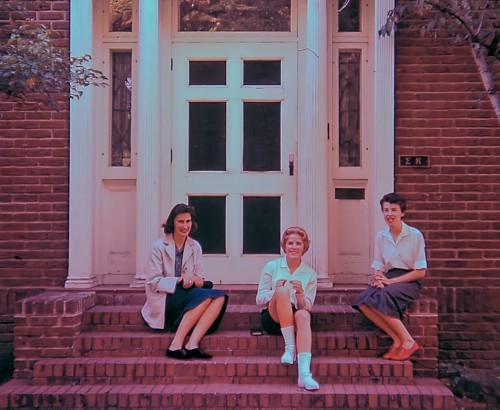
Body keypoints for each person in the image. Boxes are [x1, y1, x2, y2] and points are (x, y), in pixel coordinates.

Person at [141, 203, 228, 360]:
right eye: (180, 221)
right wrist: (179, 280)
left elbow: (200, 278)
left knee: (219, 297)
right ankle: (175, 345)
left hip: (188, 296)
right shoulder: (158, 246)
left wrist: (195, 279)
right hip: (166, 300)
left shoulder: (195, 246)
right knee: (205, 297)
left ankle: (192, 345)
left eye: (188, 221)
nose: (185, 226)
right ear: (172, 223)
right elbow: (153, 282)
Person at [352, 192, 427, 361]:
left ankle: (408, 340)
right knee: (362, 300)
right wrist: (378, 278)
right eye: (386, 210)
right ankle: (397, 340)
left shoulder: (414, 235)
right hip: (389, 277)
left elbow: (420, 271)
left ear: (402, 213)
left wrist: (392, 281)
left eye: (394, 210)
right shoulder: (381, 236)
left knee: (383, 296)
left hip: (409, 280)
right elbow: (379, 265)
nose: (389, 214)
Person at [256, 227, 320, 391]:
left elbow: (307, 307)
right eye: (290, 243)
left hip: (295, 314)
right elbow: (259, 299)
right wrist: (275, 291)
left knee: (304, 316)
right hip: (274, 317)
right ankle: (290, 347)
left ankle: (304, 374)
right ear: (284, 246)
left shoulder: (310, 274)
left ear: (304, 247)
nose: (294, 247)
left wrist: (300, 295)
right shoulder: (272, 266)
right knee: (283, 291)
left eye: (298, 243)